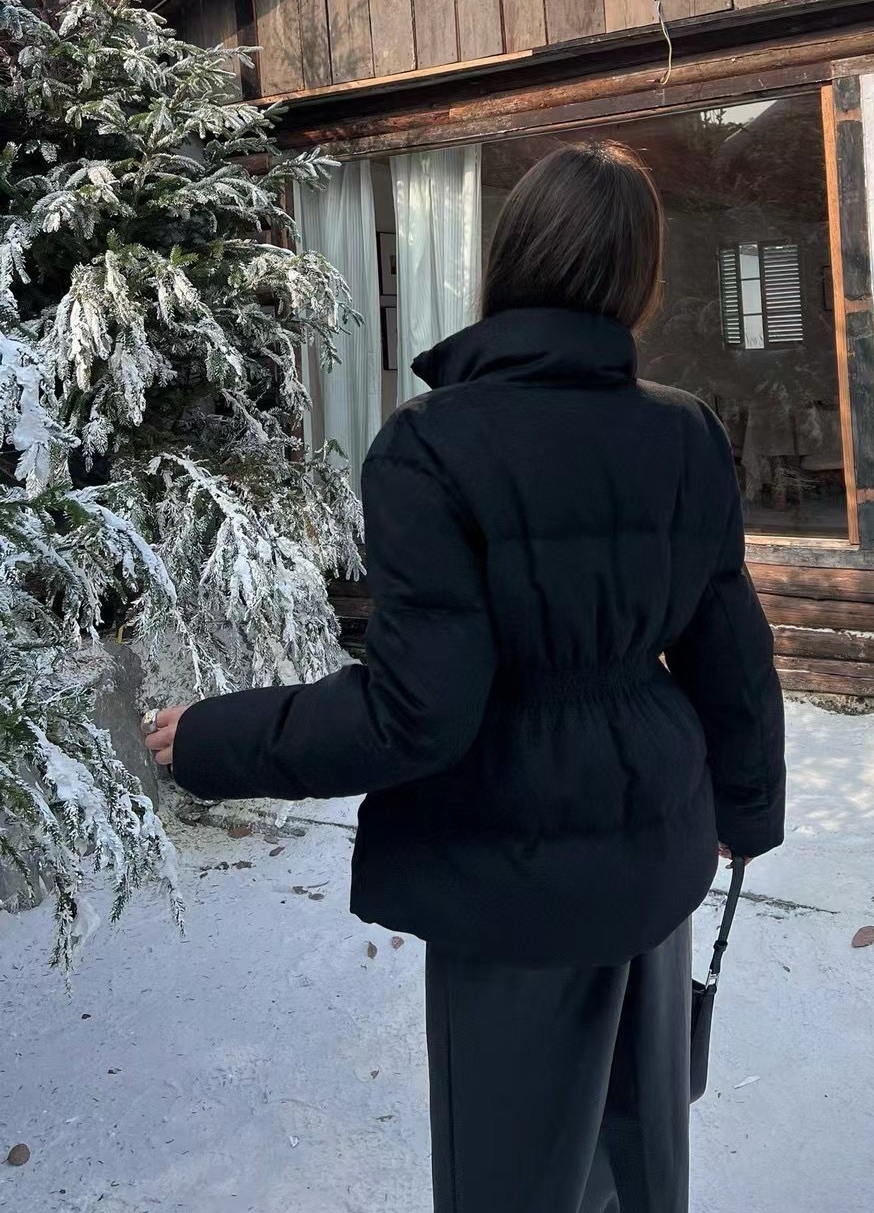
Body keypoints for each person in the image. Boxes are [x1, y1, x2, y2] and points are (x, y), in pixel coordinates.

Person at [146, 141, 786, 1213]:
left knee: (514, 1177)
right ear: (639, 280)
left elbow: (417, 711)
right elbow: (731, 647)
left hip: (510, 868)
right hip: (656, 841)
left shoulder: (432, 446)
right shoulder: (685, 433)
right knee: (640, 1162)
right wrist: (746, 807)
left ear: (511, 257)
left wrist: (217, 737)